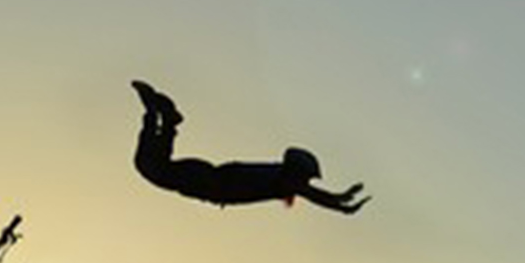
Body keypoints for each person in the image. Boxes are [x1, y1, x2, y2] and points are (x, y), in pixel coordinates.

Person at [131, 80, 370, 214]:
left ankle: (167, 121)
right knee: (153, 168)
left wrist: (341, 201)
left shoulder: (284, 178)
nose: (304, 184)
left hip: (209, 178)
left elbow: (316, 195)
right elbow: (316, 195)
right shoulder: (285, 179)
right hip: (209, 182)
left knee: (156, 167)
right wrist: (342, 202)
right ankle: (160, 118)